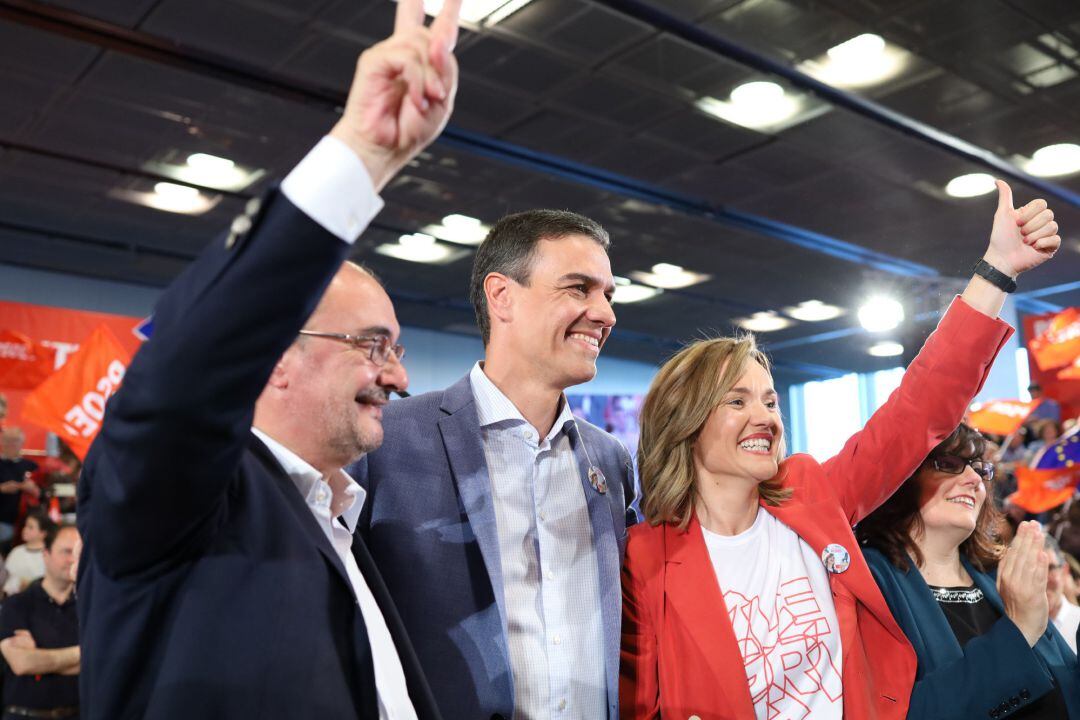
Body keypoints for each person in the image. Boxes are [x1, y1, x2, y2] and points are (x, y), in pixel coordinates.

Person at [76, 1, 462, 717]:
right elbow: (185, 374)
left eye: (398, 349)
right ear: (275, 356)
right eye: (373, 345)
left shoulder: (337, 517)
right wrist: (361, 155)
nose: (400, 376)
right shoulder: (184, 498)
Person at [620, 182, 1060, 720]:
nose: (765, 417)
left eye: (770, 400)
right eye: (737, 401)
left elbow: (919, 409)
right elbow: (638, 702)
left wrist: (997, 269)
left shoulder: (812, 497)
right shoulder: (644, 557)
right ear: (684, 422)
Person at [350, 209, 633, 719]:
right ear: (501, 295)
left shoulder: (610, 461)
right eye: (579, 289)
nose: (606, 314)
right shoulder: (386, 443)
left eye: (608, 295)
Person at [858, 424, 1079, 717]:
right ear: (901, 475)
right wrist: (1018, 631)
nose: (974, 479)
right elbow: (901, 713)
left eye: (979, 468)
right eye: (949, 464)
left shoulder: (997, 575)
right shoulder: (870, 580)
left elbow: (1069, 687)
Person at [0, 524, 81, 720]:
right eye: (66, 552)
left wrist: (40, 657)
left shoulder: (89, 608)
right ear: (46, 555)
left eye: (77, 553)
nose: (73, 560)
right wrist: (81, 653)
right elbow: (22, 663)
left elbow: (99, 661)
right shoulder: (17, 604)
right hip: (23, 715)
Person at [0, 428, 39, 549]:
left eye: (15, 440)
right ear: (1, 441)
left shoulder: (31, 466)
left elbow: (41, 495)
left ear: (22, 443)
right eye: (7, 440)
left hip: (24, 523)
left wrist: (32, 489)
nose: (11, 444)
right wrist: (1, 489)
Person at [3, 509, 51, 596]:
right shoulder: (16, 552)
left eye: (30, 527)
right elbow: (6, 580)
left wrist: (30, 585)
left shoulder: (49, 554)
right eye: (25, 526)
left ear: (43, 533)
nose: (25, 529)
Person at [1046, 535, 1080, 654]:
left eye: (1050, 568)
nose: (1043, 580)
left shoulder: (1078, 620)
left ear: (1064, 570)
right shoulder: (1017, 634)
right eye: (1034, 571)